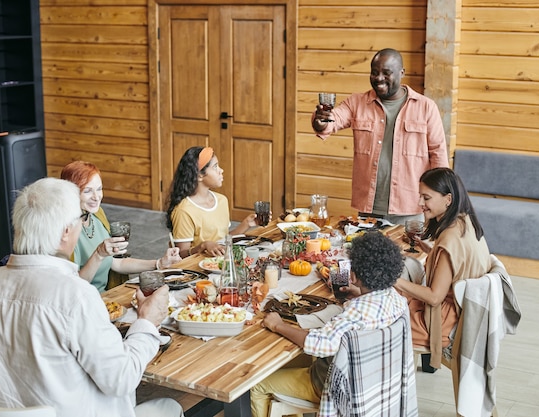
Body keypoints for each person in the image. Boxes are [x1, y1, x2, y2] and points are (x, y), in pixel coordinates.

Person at [0, 177, 183, 417]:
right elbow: (121, 379)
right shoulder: (76, 295)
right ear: (66, 232)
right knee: (170, 407)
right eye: (80, 219)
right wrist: (147, 321)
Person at [250, 232, 408, 417]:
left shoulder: (355, 314)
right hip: (378, 380)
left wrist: (278, 325)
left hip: (341, 388)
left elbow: (320, 345)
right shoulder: (397, 300)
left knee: (258, 384)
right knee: (288, 360)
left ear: (354, 276)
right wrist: (359, 294)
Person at [311, 47, 449, 225]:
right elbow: (332, 120)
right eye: (374, 72)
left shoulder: (425, 107)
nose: (379, 78)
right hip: (369, 209)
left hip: (411, 207)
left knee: (408, 254)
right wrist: (320, 121)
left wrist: (439, 204)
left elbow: (438, 155)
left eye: (386, 73)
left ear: (401, 73)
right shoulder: (357, 103)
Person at [395, 167, 491, 369]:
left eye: (426, 197)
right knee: (391, 292)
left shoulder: (450, 238)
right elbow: (458, 267)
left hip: (439, 322)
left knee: (375, 309)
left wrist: (392, 280)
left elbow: (434, 297)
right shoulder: (466, 222)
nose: (420, 203)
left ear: (448, 199)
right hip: (458, 313)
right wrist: (430, 249)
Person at [61, 161, 181, 292]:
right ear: (71, 193)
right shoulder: (65, 231)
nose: (97, 197)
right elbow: (74, 287)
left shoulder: (97, 215)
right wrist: (98, 255)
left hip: (107, 297)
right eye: (88, 191)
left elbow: (116, 263)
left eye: (99, 189)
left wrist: (159, 263)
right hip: (84, 302)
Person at [165, 146, 258, 258]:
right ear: (200, 175)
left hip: (219, 263)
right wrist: (203, 246)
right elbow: (181, 254)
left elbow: (223, 240)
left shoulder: (222, 200)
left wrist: (247, 224)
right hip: (197, 267)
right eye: (215, 167)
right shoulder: (184, 210)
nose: (221, 170)